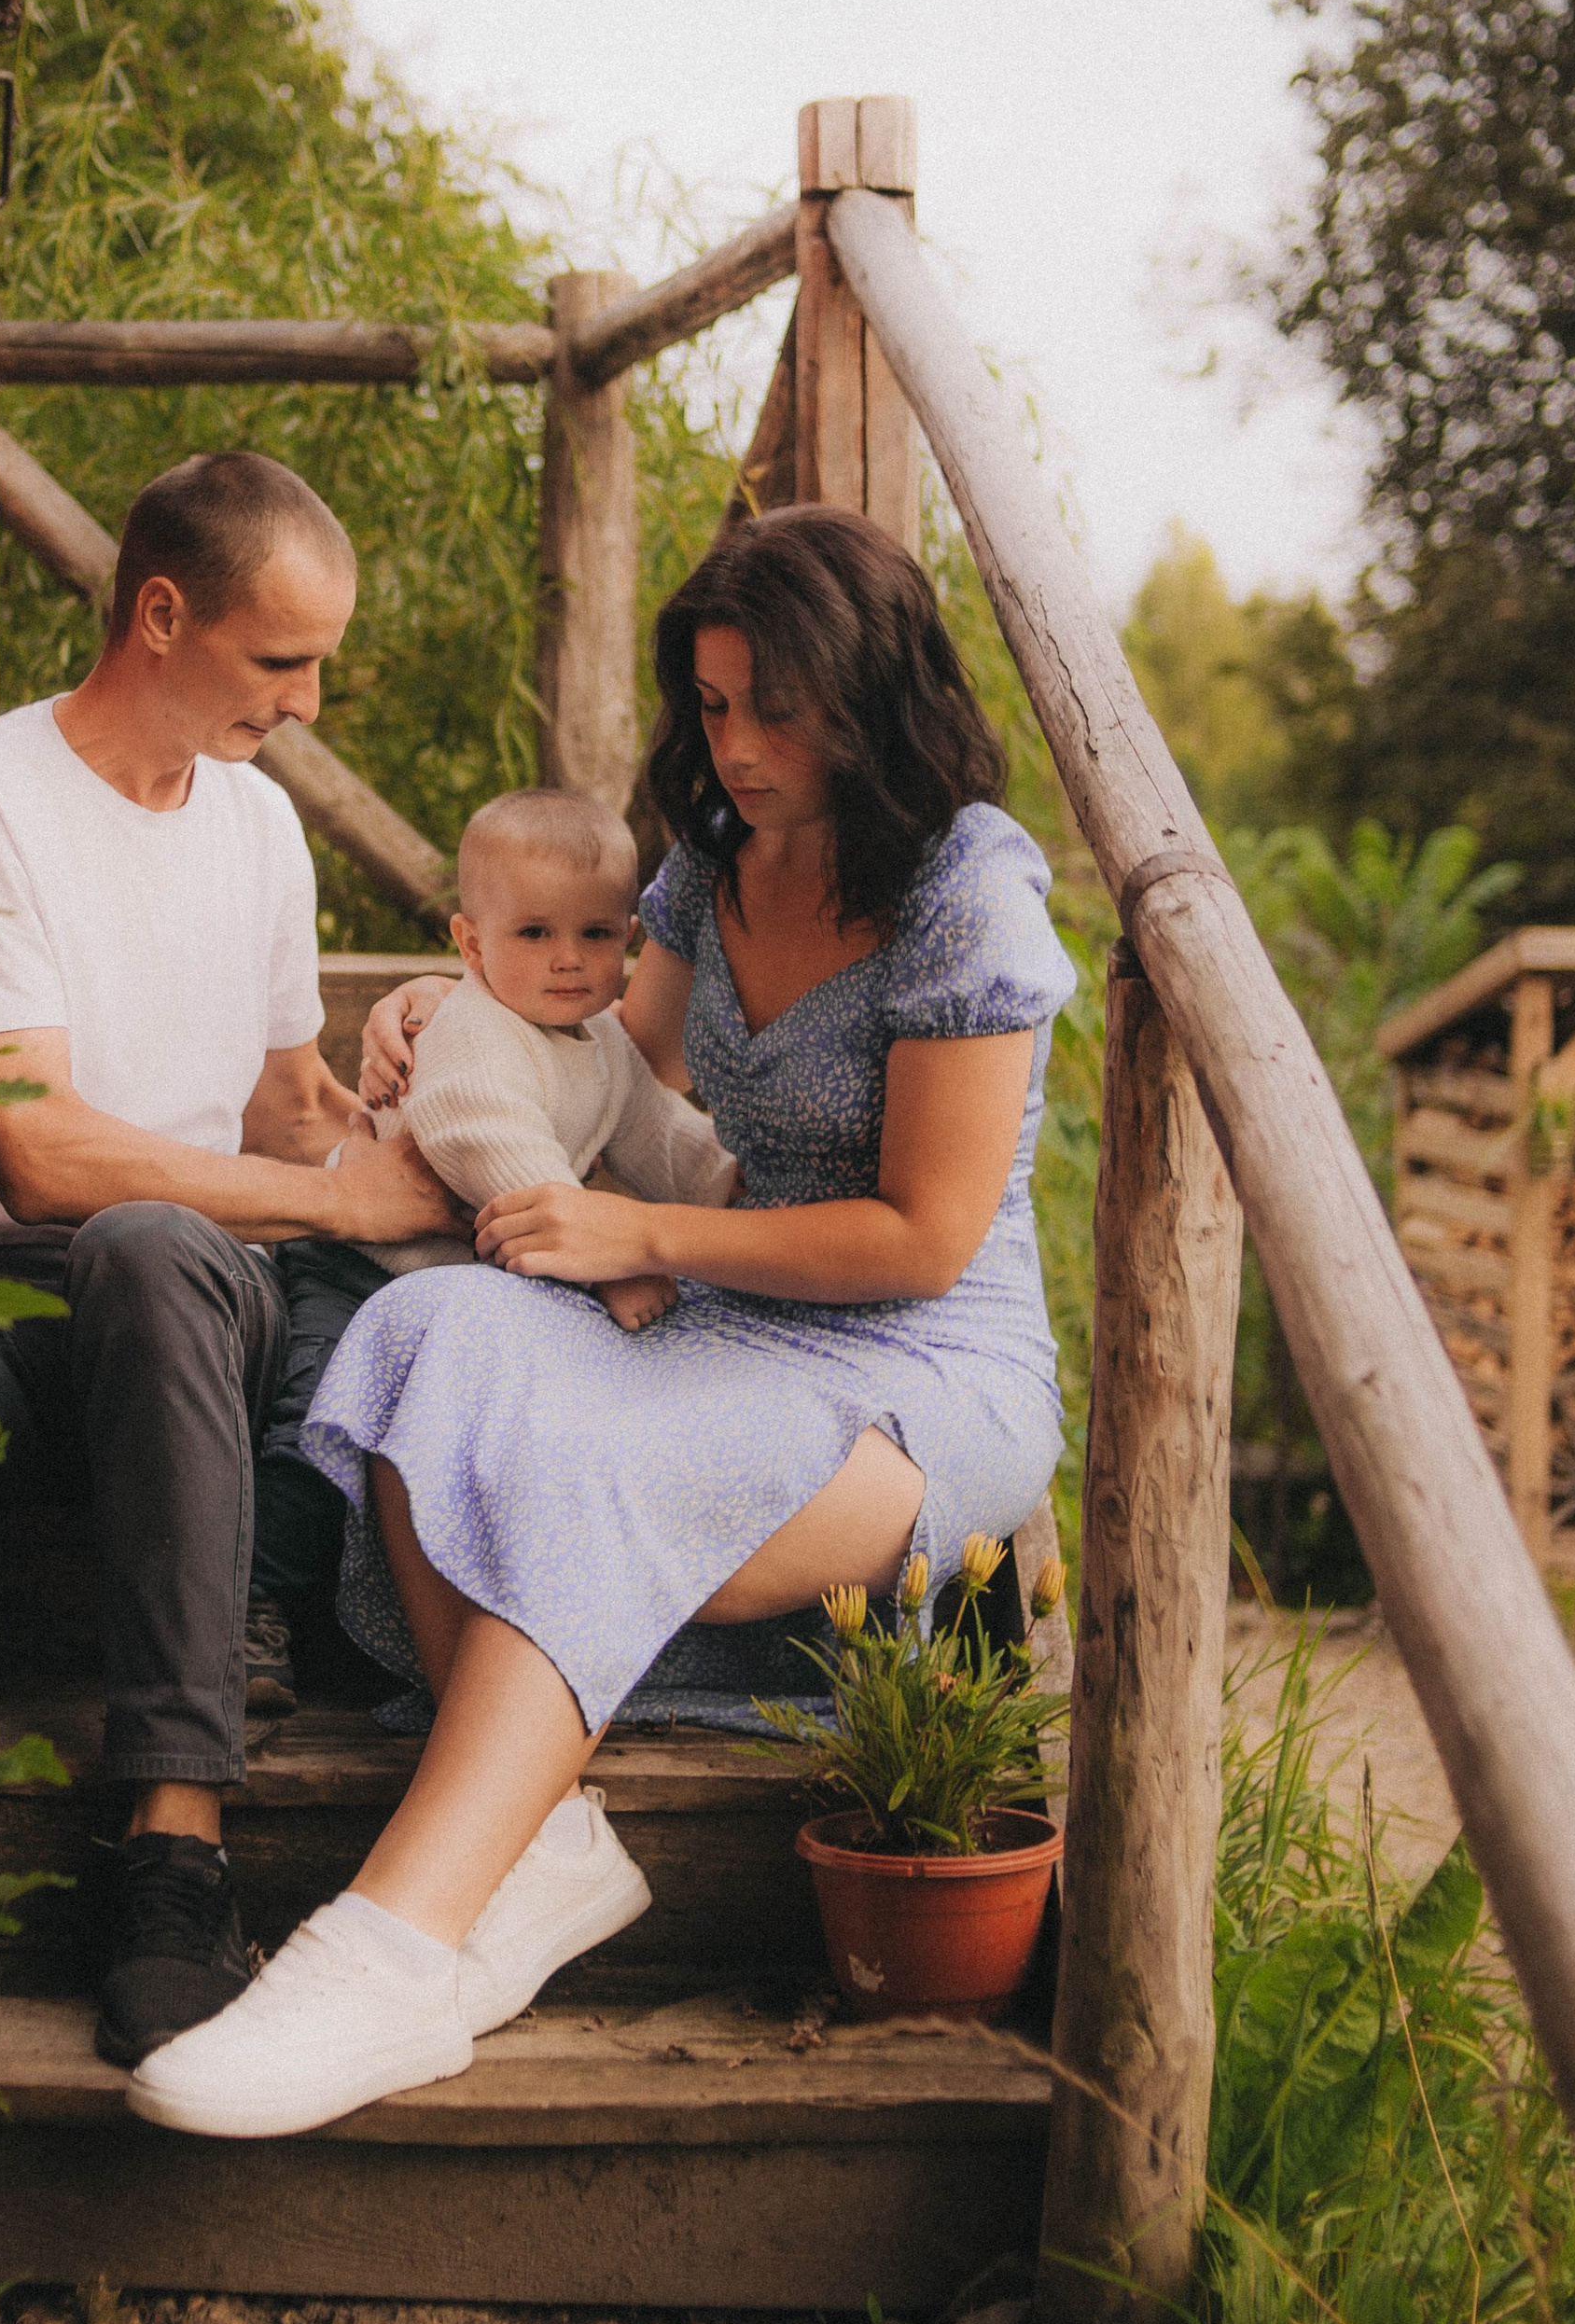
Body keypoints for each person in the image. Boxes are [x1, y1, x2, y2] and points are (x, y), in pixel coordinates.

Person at [121, 503, 1076, 2140]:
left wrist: (638, 1230)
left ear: (872, 689)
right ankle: (549, 1833)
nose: (740, 746)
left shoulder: (965, 886)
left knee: (600, 1465)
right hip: (722, 1308)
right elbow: (604, 1053)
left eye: (776, 706)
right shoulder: (714, 863)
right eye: (710, 707)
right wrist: (451, 1009)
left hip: (926, 1363)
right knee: (425, 1339)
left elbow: (926, 1235)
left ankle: (399, 1944)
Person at [0, 449, 456, 2063]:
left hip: (177, 1321)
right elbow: (37, 1148)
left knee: (154, 1244)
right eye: (281, 662)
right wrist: (340, 1205)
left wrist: (432, 1118)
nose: (307, 703)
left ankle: (172, 1849)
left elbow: (293, 1111)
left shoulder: (265, 833)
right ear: (161, 615)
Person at [346, 785, 739, 1323]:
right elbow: (513, 1164)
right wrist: (612, 1268)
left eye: (596, 933)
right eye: (535, 933)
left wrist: (732, 1182)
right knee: (326, 1391)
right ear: (473, 944)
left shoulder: (603, 1034)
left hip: (482, 1280)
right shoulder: (473, 1038)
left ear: (626, 938)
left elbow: (657, 1131)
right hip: (362, 1271)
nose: (569, 958)